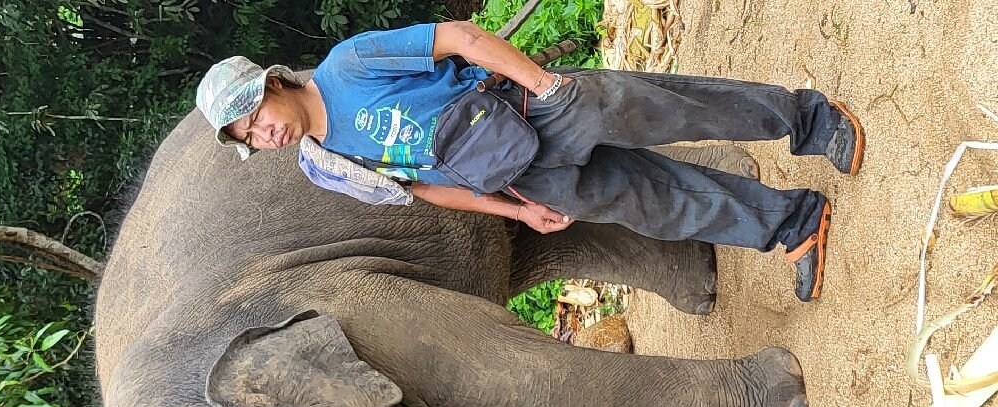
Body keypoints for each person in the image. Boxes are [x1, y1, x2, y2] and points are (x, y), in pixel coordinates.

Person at [195, 21, 864, 302]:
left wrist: (543, 83)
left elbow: (457, 37)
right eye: (248, 136)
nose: (262, 134)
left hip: (526, 106)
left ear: (273, 84)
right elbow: (421, 191)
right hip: (516, 173)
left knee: (675, 110)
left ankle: (811, 119)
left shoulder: (347, 67)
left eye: (256, 116)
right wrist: (515, 208)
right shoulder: (325, 165)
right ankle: (792, 222)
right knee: (656, 204)